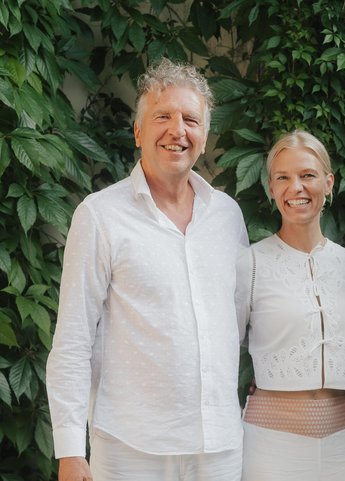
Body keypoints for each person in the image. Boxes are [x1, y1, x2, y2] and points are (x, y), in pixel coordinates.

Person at [46, 57, 248, 481]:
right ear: (138, 132)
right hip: (130, 449)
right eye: (163, 116)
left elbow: (236, 319)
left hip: (219, 447)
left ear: (204, 137)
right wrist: (70, 450)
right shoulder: (100, 215)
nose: (178, 130)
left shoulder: (228, 216)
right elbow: (73, 340)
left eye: (190, 120)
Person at [235, 130, 345, 481]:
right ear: (270, 187)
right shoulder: (250, 264)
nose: (296, 187)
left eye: (308, 175)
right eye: (283, 178)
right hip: (270, 446)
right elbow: (224, 351)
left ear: (329, 183)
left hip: (344, 445)